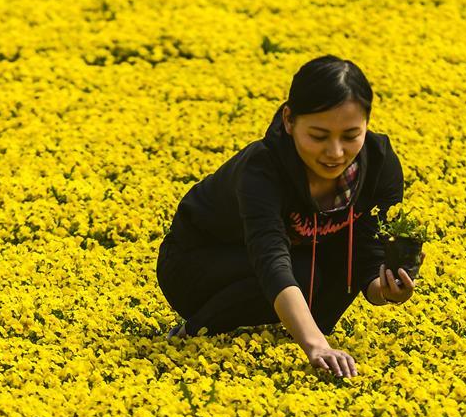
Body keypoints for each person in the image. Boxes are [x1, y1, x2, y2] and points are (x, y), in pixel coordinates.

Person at [156, 55, 424, 379]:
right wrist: (315, 346)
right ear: (288, 120)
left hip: (294, 259)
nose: (335, 152)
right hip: (198, 264)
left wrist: (384, 289)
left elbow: (363, 251)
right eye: (319, 136)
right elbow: (270, 257)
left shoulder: (379, 165)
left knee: (322, 280)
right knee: (303, 272)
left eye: (351, 135)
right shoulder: (262, 168)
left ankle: (281, 327)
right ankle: (198, 328)